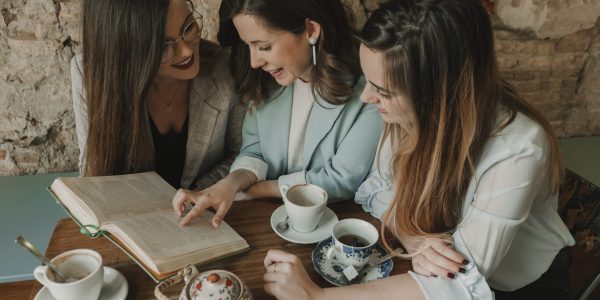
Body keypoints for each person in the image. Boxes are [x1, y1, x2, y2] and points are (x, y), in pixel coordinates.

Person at [260, 0, 575, 299]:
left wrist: (316, 296)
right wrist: (416, 239)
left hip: (513, 289)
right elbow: (375, 188)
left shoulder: (518, 150)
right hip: (427, 268)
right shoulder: (408, 110)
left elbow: (463, 283)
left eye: (382, 89)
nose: (367, 98)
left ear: (438, 93)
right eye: (368, 81)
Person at [172, 0, 383, 227]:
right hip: (269, 222)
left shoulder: (371, 86)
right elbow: (255, 150)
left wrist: (261, 189)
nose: (254, 62)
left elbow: (341, 179)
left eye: (263, 47)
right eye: (248, 46)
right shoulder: (263, 81)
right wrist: (230, 183)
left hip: (334, 225)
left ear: (311, 30)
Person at [71, 0, 243, 189]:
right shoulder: (91, 74)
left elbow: (241, 154)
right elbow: (94, 169)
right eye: (163, 47)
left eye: (188, 27)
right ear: (125, 51)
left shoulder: (226, 68)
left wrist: (198, 194)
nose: (186, 51)